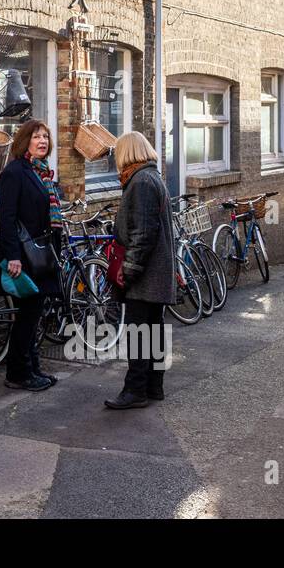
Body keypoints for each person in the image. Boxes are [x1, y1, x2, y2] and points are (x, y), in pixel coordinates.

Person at [105, 131, 173, 410]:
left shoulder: (141, 182)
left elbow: (143, 233)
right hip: (156, 271)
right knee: (153, 329)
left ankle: (135, 391)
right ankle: (153, 387)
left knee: (138, 331)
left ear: (127, 153)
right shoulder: (151, 176)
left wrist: (128, 270)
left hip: (145, 274)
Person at [0, 120, 62, 392]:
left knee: (34, 315)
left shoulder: (43, 173)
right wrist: (12, 256)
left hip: (43, 254)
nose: (43, 141)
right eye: (36, 137)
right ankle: (18, 373)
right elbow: (7, 218)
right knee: (27, 315)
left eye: (45, 136)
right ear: (25, 141)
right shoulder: (15, 173)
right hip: (25, 256)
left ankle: (32, 367)